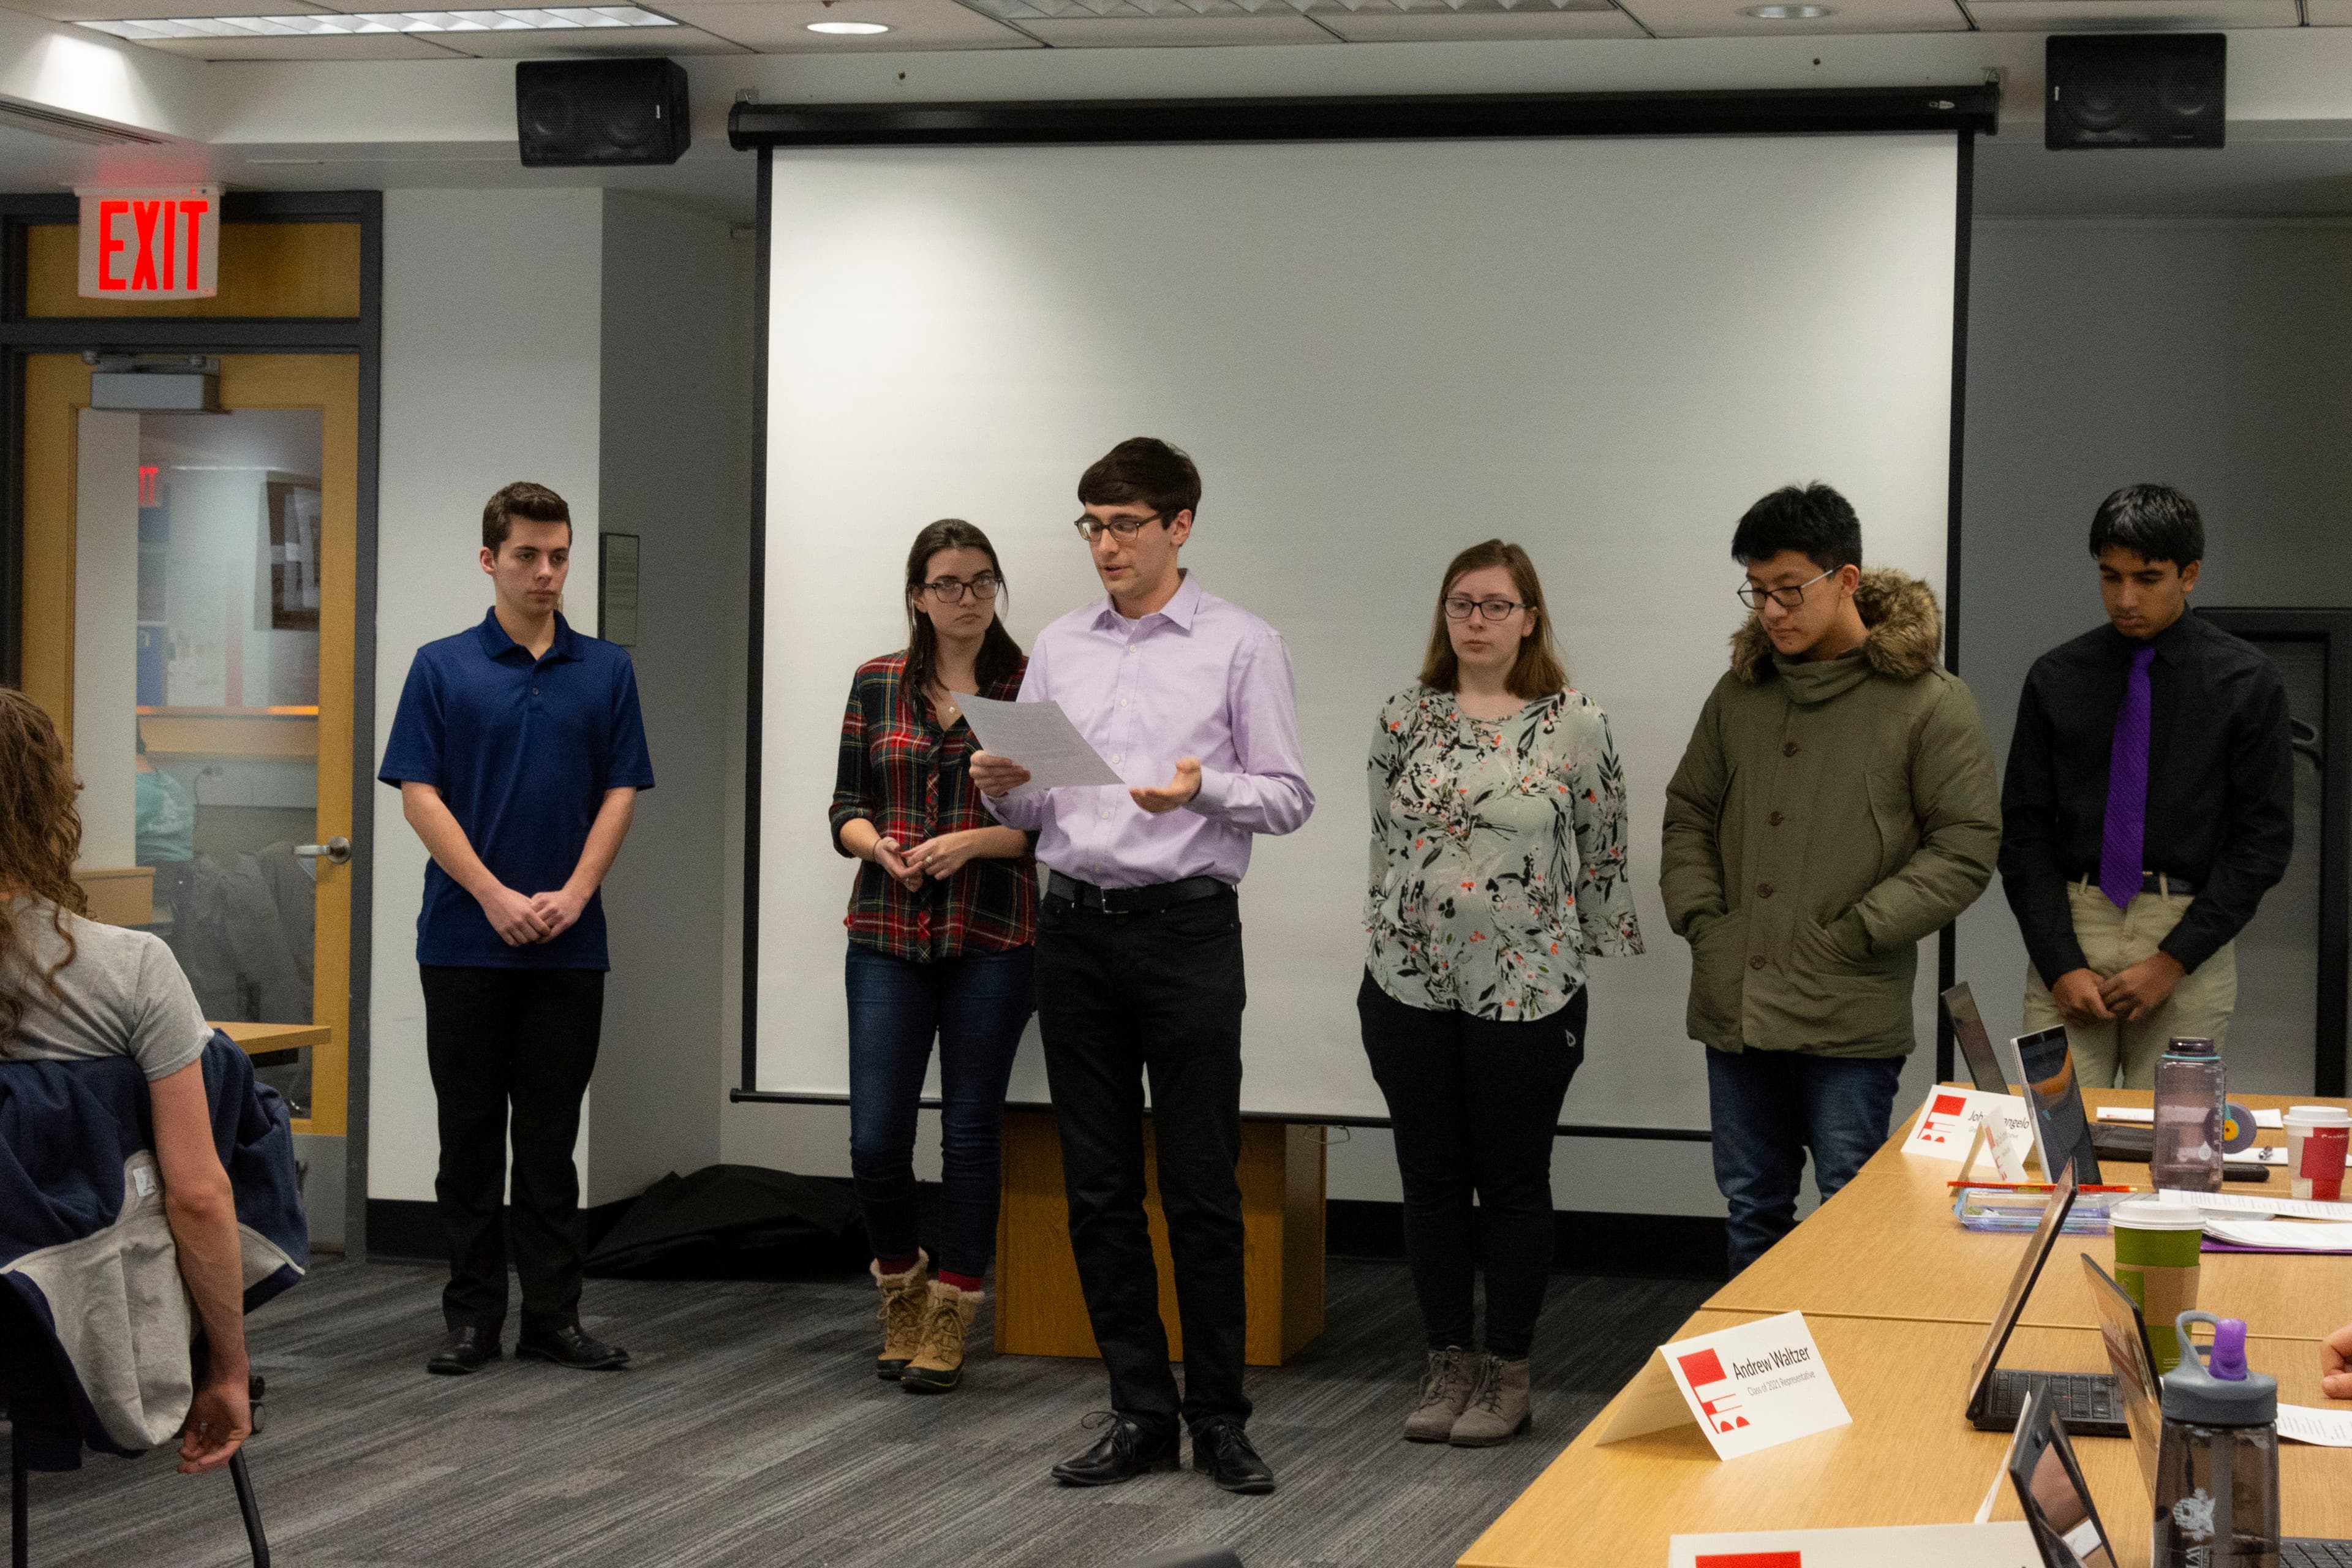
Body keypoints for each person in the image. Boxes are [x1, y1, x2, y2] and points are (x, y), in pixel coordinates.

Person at [968, 437, 1313, 1494]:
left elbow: (1288, 796)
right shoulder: (1061, 644)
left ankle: (1221, 1418)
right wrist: (999, 784)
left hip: (1185, 932)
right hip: (1074, 929)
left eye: (1125, 525)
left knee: (1201, 1183)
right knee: (1099, 1187)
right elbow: (1040, 806)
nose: (1106, 546)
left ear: (1180, 525)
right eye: (1093, 526)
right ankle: (1139, 1412)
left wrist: (1202, 790)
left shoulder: (1241, 643)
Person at [1661, 483, 2000, 1275]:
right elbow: (1689, 813)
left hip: (1847, 1007)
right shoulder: (1740, 693)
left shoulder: (1929, 702)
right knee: (1752, 1207)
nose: (1771, 611)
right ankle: (1759, 1357)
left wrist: (1860, 930)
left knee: (1851, 1209)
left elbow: (1965, 846)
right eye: (1757, 591)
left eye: (1790, 589)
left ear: (1847, 579)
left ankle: (1852, 1358)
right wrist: (1704, 920)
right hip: (1738, 1003)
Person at [1359, 540, 1642, 1448]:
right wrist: (1384, 941)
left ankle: (1508, 1373)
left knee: (1514, 1184)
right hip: (1407, 984)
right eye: (1461, 604)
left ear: (1530, 619)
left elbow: (1603, 851)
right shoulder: (1404, 715)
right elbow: (1383, 844)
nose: (1475, 621)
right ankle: (1447, 1362)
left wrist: (1583, 958)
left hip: (1529, 992)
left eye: (1495, 605)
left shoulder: (1576, 722)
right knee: (1430, 1181)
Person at [379, 481, 655, 1377]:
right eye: (528, 555)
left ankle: (553, 1318)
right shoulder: (441, 666)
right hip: (464, 940)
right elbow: (420, 795)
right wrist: (495, 895)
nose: (546, 572)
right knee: (467, 1139)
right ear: (489, 560)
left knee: (549, 1141)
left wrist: (576, 892)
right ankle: (471, 1320)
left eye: (559, 556)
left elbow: (621, 791)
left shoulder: (605, 670)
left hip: (570, 943)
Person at [0, 688, 250, 1474]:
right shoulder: (133, 969)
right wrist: (229, 1368)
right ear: (52, 802)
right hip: (76, 1313)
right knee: (241, 1103)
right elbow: (197, 1194)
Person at [829, 519, 1036, 1394]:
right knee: (876, 1138)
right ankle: (901, 1287)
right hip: (887, 931)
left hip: (990, 934)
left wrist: (972, 842)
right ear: (917, 595)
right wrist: (876, 846)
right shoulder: (878, 681)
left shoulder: (1029, 686)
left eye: (983, 581)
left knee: (970, 1133)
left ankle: (952, 1310)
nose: (968, 598)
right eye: (948, 583)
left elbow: (1057, 826)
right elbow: (844, 807)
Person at [1999, 484, 2292, 1091]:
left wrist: (2172, 961)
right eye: (2110, 577)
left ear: (2190, 575)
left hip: (2185, 930)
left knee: (2172, 1136)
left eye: (2147, 578)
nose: (2125, 598)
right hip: (2074, 919)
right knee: (2056, 1127)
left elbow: (2262, 843)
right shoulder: (2057, 677)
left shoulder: (2245, 680)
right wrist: (2060, 964)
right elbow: (2024, 833)